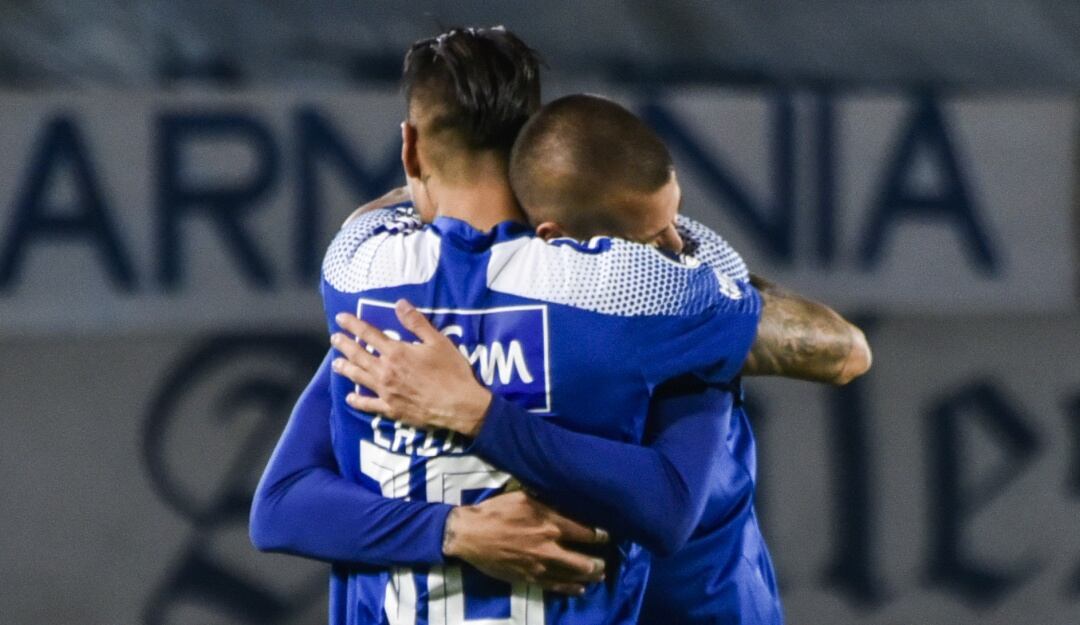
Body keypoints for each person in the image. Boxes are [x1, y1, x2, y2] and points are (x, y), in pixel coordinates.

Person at [250, 27, 869, 625]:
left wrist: (453, 514)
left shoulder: (371, 299)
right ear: (532, 152)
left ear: (411, 147)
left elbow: (280, 507)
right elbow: (842, 355)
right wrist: (688, 254)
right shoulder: (644, 304)